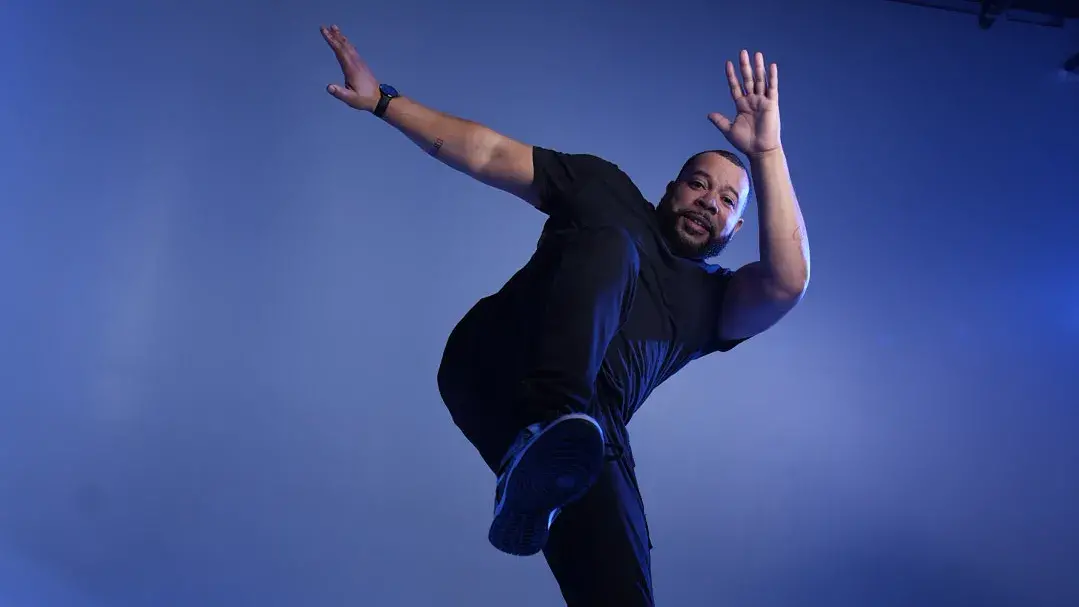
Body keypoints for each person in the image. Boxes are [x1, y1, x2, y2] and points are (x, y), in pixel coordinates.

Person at [321, 23, 810, 606]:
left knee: (622, 592)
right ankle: (546, 427)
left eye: (728, 200)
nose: (710, 199)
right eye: (699, 183)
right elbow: (490, 152)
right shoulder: (606, 191)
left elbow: (788, 279)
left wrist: (767, 153)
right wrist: (383, 101)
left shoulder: (718, 302)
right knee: (614, 245)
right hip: (499, 357)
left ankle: (536, 482)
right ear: (670, 189)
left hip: (587, 434)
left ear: (735, 228)